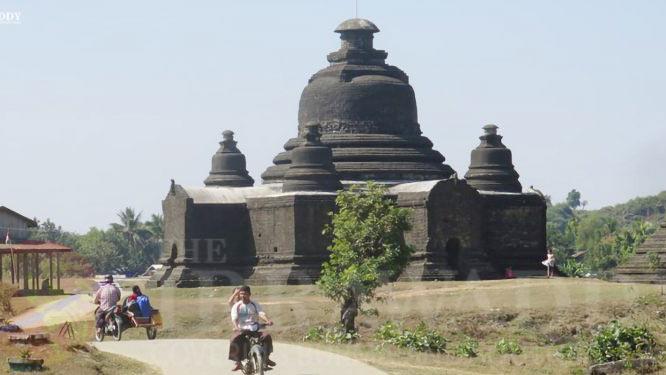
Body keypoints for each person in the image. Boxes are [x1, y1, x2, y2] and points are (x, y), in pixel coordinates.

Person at [229, 285, 275, 372]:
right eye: (241, 294)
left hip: (254, 328)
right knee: (234, 339)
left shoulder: (254, 304)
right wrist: (236, 327)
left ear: (249, 294)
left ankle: (266, 359)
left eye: (245, 294)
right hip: (242, 330)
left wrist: (267, 320)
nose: (243, 296)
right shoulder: (237, 306)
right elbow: (234, 318)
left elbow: (261, 313)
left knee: (267, 336)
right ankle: (238, 363)